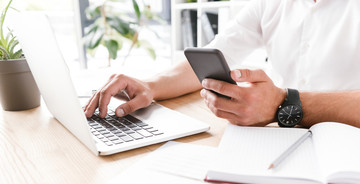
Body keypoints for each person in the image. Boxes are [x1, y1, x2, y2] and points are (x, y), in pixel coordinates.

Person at [83, 0, 360, 128]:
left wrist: (282, 104)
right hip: (285, 139)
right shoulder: (270, 4)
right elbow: (216, 53)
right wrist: (150, 86)